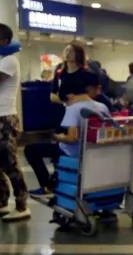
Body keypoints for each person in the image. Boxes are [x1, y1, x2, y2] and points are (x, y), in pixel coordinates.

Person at [24, 71, 111, 194]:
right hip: (92, 151)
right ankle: (53, 182)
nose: (66, 104)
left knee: (30, 150)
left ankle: (47, 185)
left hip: (71, 152)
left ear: (70, 96)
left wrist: (57, 137)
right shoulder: (102, 107)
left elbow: (72, 138)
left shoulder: (73, 108)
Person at [0, 23, 31, 223]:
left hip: (5, 118)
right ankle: (2, 201)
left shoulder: (10, 60)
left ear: (4, 40)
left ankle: (22, 206)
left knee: (9, 162)